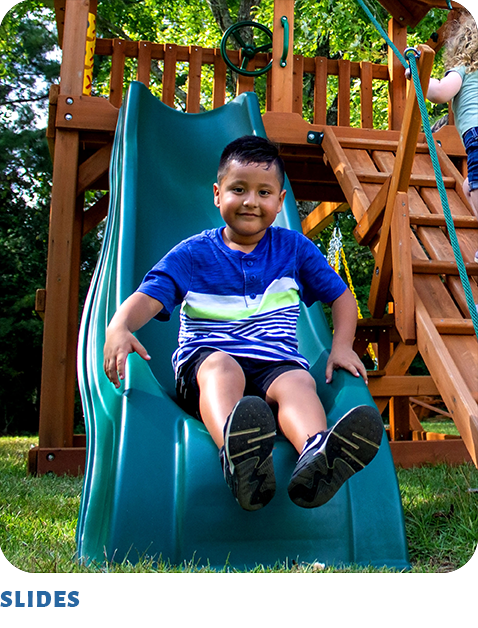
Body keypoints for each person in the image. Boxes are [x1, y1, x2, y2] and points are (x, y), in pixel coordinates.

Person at [103, 135, 383, 512]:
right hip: (207, 368)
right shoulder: (193, 253)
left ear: (281, 202)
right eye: (239, 189)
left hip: (273, 364)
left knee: (298, 380)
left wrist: (342, 346)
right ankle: (238, 456)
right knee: (222, 366)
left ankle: (317, 454)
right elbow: (149, 296)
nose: (251, 201)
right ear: (218, 194)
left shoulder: (294, 249)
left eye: (264, 192)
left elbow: (341, 297)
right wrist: (119, 326)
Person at [409, 10, 478, 260]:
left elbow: (439, 93)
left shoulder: (464, 68)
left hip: (476, 135)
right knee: (467, 185)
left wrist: (418, 76)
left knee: (475, 186)